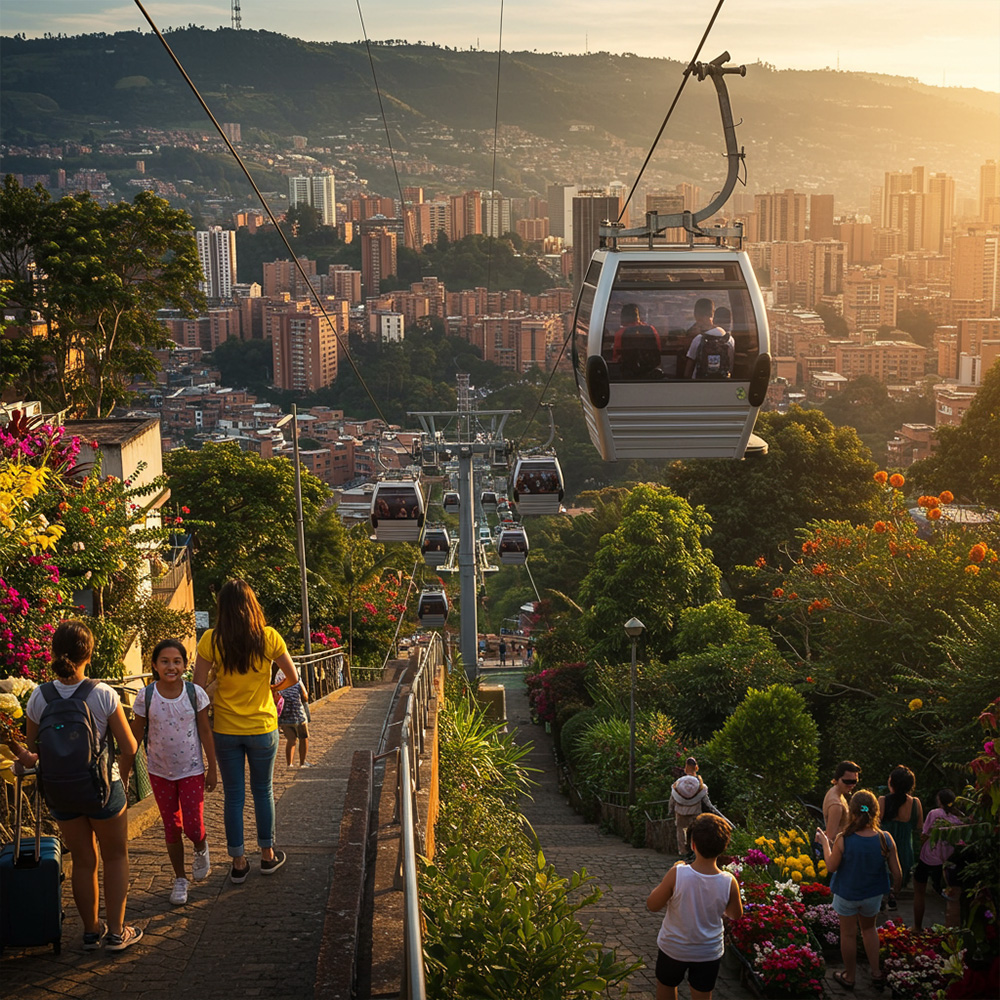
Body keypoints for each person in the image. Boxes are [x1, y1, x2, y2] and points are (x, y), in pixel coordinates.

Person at [24, 620, 142, 952]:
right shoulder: (102, 693)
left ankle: (90, 932)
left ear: (52, 652)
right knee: (116, 856)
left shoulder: (39, 696)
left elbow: (34, 750)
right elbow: (130, 746)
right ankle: (118, 933)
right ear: (89, 653)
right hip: (103, 789)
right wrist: (122, 772)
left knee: (83, 859)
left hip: (61, 792)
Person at [193, 579, 299, 884]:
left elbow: (197, 688)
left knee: (234, 796)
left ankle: (238, 863)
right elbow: (292, 677)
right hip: (263, 727)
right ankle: (267, 856)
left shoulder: (212, 640)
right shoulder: (268, 637)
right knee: (263, 791)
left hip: (225, 730)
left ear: (222, 608)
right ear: (252, 605)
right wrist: (271, 687)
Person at [131, 638, 217, 906]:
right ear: (154, 665)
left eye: (177, 661)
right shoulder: (145, 696)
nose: (171, 667)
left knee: (193, 826)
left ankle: (201, 846)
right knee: (172, 827)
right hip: (159, 772)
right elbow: (134, 737)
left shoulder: (195, 693)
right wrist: (124, 771)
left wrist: (212, 768)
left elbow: (205, 730)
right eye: (165, 661)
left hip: (191, 769)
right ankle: (180, 878)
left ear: (185, 664)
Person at [647, 813, 743, 1000]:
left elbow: (652, 904)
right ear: (724, 847)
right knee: (703, 993)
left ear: (692, 844)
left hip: (673, 948)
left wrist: (671, 877)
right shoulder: (728, 881)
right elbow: (735, 914)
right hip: (708, 951)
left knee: (666, 986)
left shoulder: (678, 873)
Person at [816, 788, 902, 992]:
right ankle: (876, 973)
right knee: (869, 930)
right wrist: (894, 893)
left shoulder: (843, 838)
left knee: (848, 935)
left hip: (847, 894)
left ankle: (849, 976)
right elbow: (897, 874)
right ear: (875, 812)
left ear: (852, 812)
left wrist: (825, 844)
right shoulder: (885, 838)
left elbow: (831, 866)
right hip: (872, 896)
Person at [913, 788, 963, 929]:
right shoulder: (958, 818)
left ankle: (917, 927)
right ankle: (950, 931)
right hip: (947, 860)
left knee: (919, 891)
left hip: (928, 857)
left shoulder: (935, 813)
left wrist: (920, 851)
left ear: (939, 800)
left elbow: (925, 834)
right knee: (950, 897)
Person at [877, 764, 923, 907]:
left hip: (884, 848)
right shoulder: (915, 803)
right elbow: (919, 827)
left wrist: (864, 808)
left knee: (883, 879)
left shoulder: (882, 801)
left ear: (892, 783)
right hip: (904, 850)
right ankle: (894, 897)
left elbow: (874, 821)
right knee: (899, 879)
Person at [668, 757, 727, 856]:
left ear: (685, 768)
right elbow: (706, 801)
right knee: (695, 832)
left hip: (680, 812)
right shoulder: (700, 785)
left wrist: (670, 810)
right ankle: (695, 851)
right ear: (696, 767)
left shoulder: (679, 783)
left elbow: (672, 798)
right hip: (695, 811)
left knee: (680, 831)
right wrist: (712, 809)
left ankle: (682, 851)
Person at [610, 302, 662, 377]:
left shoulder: (620, 333)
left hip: (628, 374)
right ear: (638, 316)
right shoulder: (651, 329)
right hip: (651, 371)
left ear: (623, 317)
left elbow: (616, 357)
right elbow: (658, 349)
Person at [684, 306, 735, 379]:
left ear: (713, 320)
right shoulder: (730, 340)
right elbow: (730, 366)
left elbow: (689, 366)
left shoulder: (699, 339)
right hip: (722, 382)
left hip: (699, 383)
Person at [823, 760, 860, 843]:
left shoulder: (837, 793)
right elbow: (831, 838)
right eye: (847, 781)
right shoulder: (836, 804)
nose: (851, 785)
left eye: (854, 782)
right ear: (837, 779)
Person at [278, 676, 311, 769]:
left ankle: (290, 764)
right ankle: (302, 762)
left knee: (291, 740)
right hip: (298, 714)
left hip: (284, 716)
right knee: (303, 737)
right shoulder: (296, 681)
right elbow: (305, 696)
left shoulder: (278, 685)